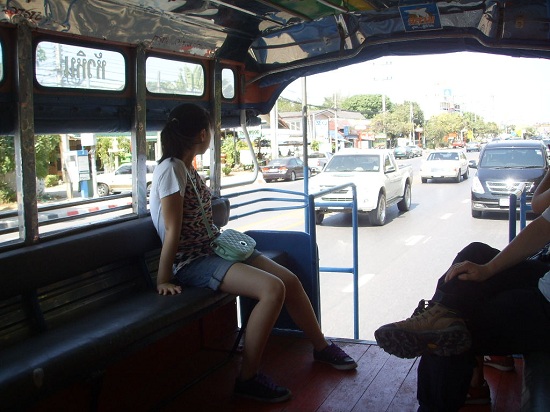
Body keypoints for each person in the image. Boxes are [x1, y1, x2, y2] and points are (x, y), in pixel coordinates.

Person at [149, 103, 357, 404]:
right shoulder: (171, 170)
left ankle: (321, 347)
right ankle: (247, 379)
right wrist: (164, 278)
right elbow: (172, 230)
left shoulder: (186, 166)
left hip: (213, 247)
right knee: (272, 290)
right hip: (191, 262)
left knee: (289, 280)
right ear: (203, 134)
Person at [374, 167, 550, 411]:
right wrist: (488, 269)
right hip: (543, 269)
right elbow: (544, 224)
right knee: (475, 254)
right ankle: (439, 314)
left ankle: (438, 327)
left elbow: (538, 204)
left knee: (451, 333)